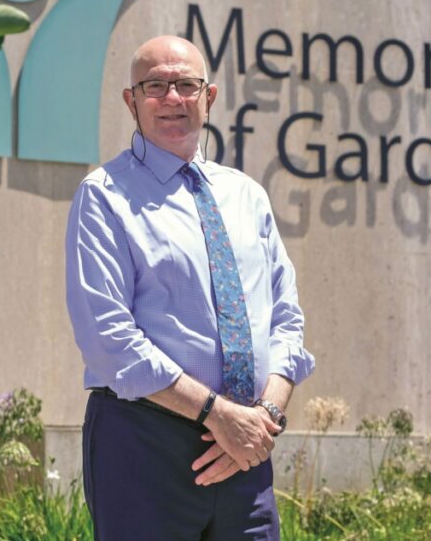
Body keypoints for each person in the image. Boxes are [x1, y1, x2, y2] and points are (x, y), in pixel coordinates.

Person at [65, 35, 315, 540]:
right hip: (144, 444)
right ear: (130, 101)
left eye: (186, 84)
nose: (173, 98)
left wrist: (261, 417)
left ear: (210, 97)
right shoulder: (104, 196)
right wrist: (216, 414)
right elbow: (110, 339)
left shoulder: (247, 196)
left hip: (247, 448)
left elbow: (287, 322)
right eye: (155, 85)